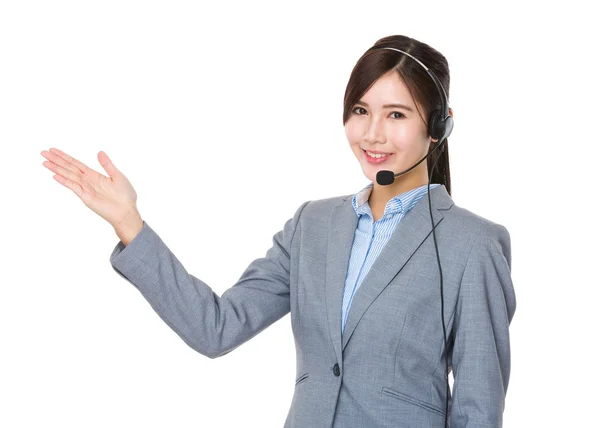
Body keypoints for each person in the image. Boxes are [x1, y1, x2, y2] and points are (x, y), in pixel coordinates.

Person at [40, 34, 516, 428]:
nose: (372, 134)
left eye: (396, 114)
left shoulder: (473, 246)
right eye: (360, 110)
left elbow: (479, 410)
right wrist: (130, 223)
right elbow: (216, 327)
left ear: (438, 127)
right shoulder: (313, 225)